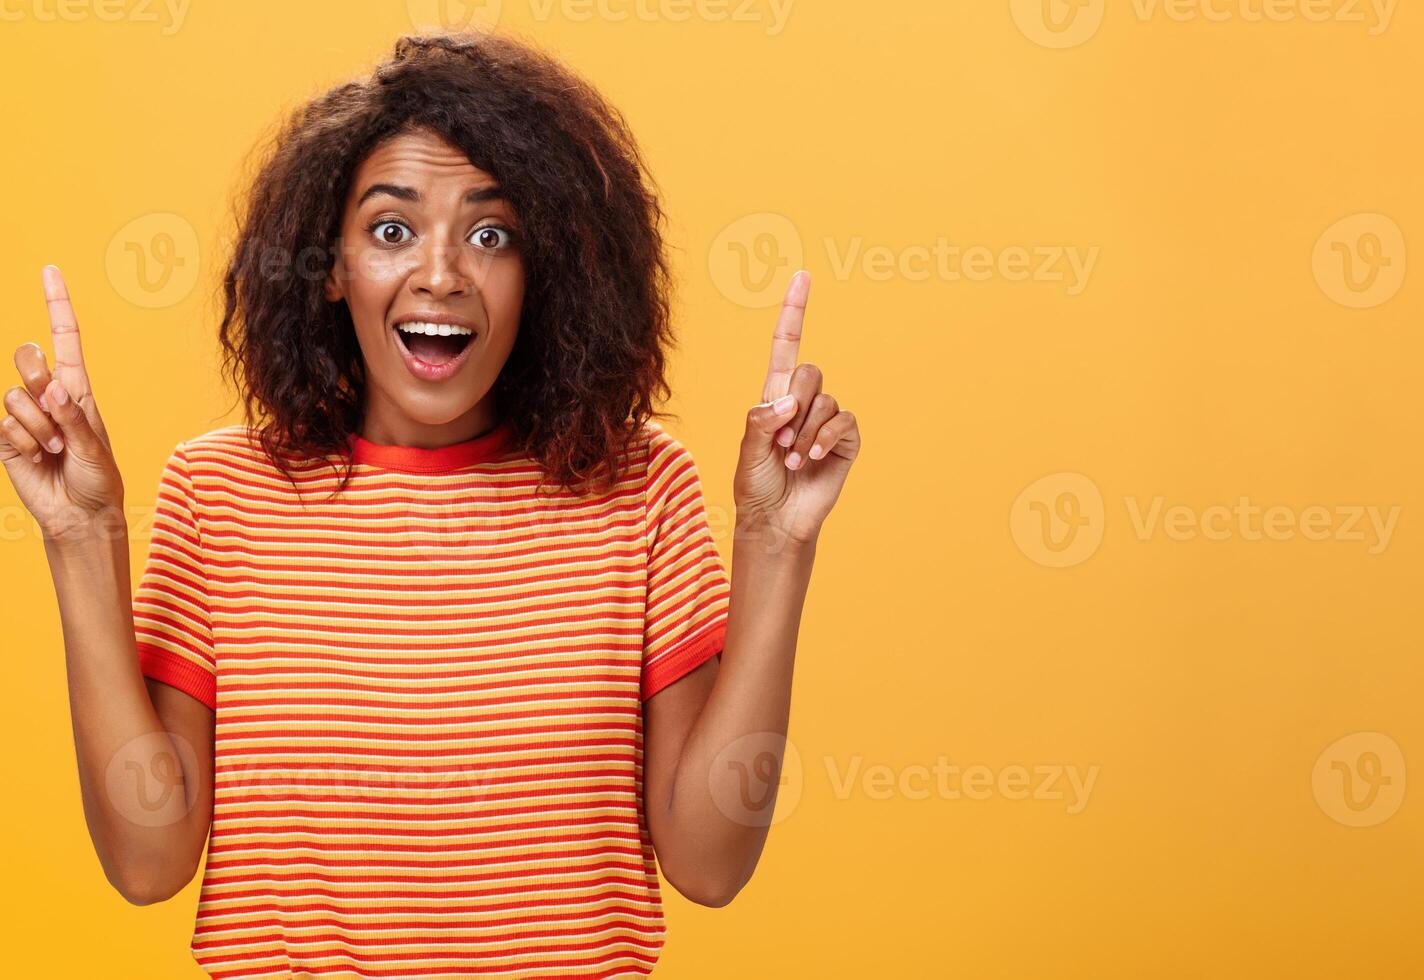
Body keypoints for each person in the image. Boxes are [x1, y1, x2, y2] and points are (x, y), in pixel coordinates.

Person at [2, 31, 858, 978]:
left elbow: (709, 863)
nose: (442, 274)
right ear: (332, 268)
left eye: (491, 235)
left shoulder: (638, 487)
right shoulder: (221, 495)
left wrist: (775, 543)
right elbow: (146, 860)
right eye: (392, 229)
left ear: (546, 276)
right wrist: (81, 532)